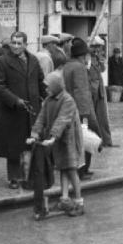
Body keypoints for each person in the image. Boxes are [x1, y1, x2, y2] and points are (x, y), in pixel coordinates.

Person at [27, 71, 84, 219]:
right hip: (58, 140)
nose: (46, 90)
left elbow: (62, 119)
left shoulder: (68, 100)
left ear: (56, 86)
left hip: (69, 139)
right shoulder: (48, 100)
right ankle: (64, 198)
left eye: (48, 87)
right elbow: (41, 118)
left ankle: (79, 202)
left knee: (71, 169)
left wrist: (53, 137)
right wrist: (34, 134)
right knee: (62, 168)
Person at [0, 32, 46, 189]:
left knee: (32, 143)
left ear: (25, 45)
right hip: (12, 110)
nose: (15, 46)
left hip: (32, 109)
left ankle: (31, 175)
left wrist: (48, 97)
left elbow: (40, 82)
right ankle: (14, 177)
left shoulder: (34, 60)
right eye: (13, 43)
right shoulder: (1, 62)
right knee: (14, 145)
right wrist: (15, 100)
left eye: (19, 43)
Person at [63, 38, 100, 180]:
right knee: (84, 141)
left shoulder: (67, 65)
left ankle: (81, 169)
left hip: (69, 108)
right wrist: (86, 115)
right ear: (83, 55)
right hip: (80, 110)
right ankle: (82, 170)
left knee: (75, 141)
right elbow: (82, 92)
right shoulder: (79, 67)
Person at [88, 40, 115, 147]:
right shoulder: (86, 58)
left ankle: (105, 140)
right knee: (90, 118)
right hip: (90, 90)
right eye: (96, 47)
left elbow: (102, 70)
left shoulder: (98, 57)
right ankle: (92, 140)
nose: (97, 49)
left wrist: (101, 61)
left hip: (99, 90)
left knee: (102, 116)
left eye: (99, 47)